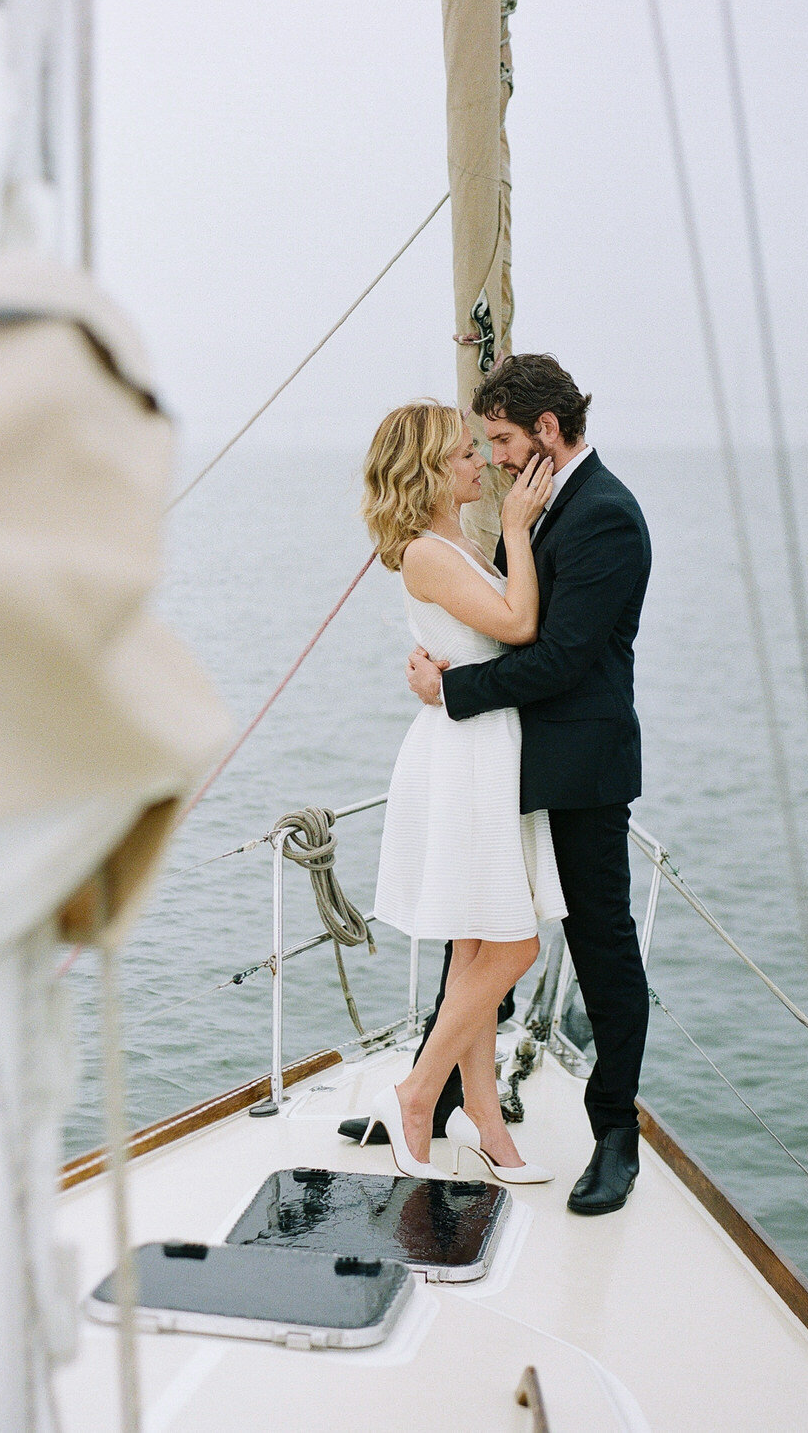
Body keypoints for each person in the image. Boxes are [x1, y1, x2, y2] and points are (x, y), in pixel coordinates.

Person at [405, 355, 652, 1216]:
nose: (500, 456)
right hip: (509, 760)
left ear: (548, 428)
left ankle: (614, 1134)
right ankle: (438, 1094)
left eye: (505, 438)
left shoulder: (608, 517)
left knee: (602, 946)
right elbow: (502, 615)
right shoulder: (541, 506)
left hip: (579, 769)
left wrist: (453, 690)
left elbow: (555, 657)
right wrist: (439, 656)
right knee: (473, 935)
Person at [355, 399, 565, 1183]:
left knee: (478, 943)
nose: (482, 464)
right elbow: (517, 625)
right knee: (516, 942)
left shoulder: (450, 543)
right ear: (433, 469)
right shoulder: (424, 553)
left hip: (482, 746)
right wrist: (517, 525)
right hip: (465, 756)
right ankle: (415, 1093)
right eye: (467, 455)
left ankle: (483, 1121)